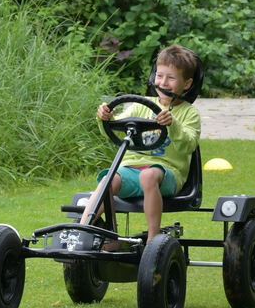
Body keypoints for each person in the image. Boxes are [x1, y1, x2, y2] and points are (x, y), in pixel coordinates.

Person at [79, 45, 202, 241]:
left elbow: (189, 145)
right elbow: (115, 129)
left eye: (171, 78)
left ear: (186, 84)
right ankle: (90, 231)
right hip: (131, 168)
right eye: (160, 76)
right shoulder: (140, 105)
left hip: (167, 172)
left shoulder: (189, 113)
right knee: (108, 180)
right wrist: (105, 118)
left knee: (148, 175)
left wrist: (173, 124)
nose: (163, 82)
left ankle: (153, 241)